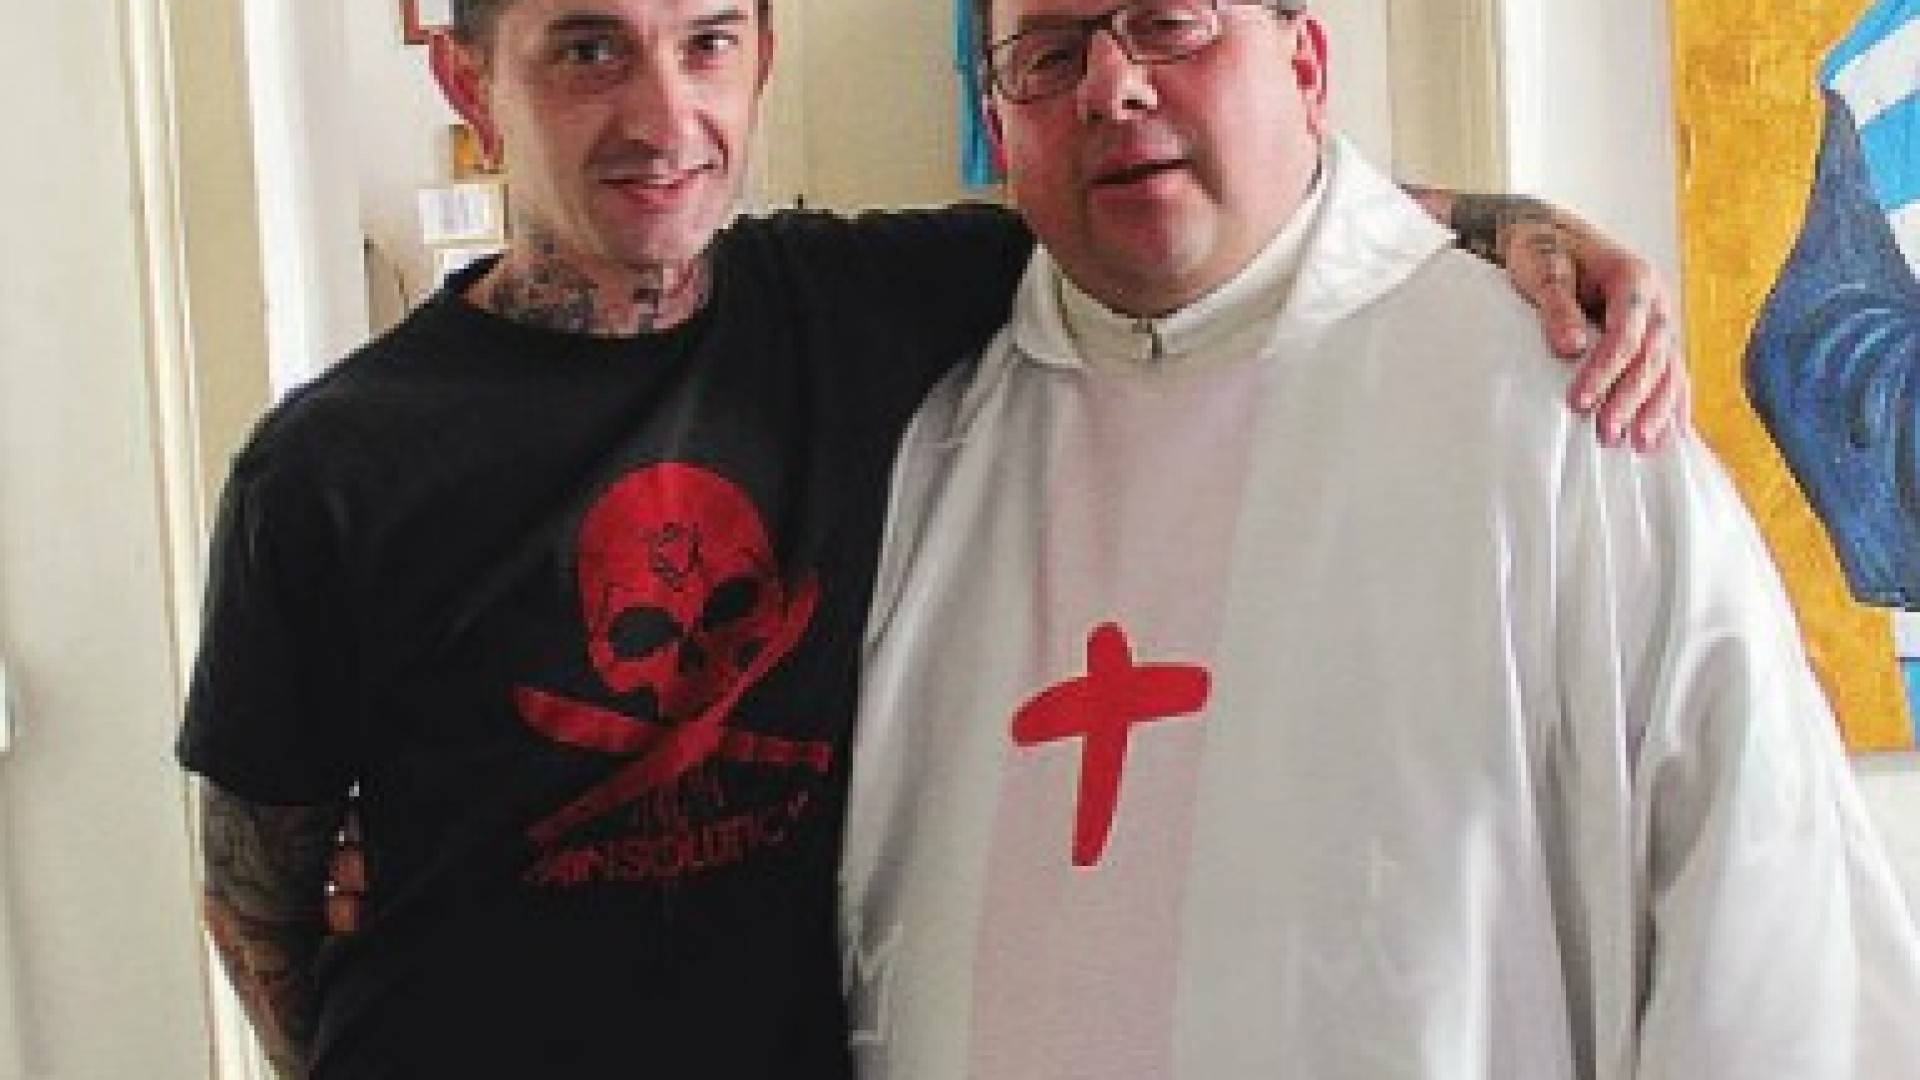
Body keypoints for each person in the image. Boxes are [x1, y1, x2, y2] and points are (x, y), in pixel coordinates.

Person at [177, 0, 1683, 1076]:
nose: (663, 116)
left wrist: (1528, 230)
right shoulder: (328, 469)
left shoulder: (863, 309)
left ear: (762, 56)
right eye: (586, 50)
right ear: (468, 82)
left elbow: (1203, 203)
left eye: (706, 43)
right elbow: (259, 899)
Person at [839, 1, 1920, 1077]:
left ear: (1307, 66)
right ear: (999, 122)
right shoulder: (929, 452)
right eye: (1048, 56)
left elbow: (1774, 944)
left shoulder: (1564, 412)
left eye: (1169, 24)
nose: (1111, 86)